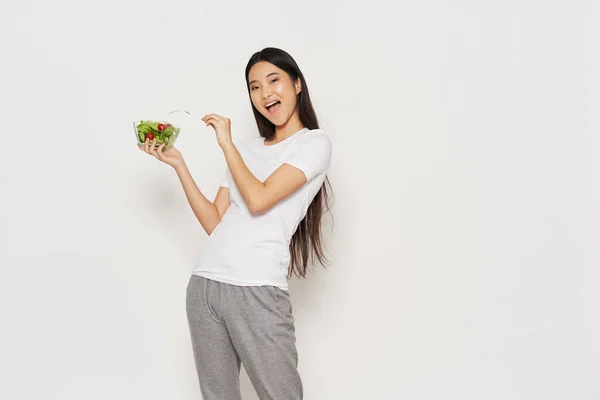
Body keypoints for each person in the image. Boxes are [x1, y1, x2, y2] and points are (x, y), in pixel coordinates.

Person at [137, 47, 333, 400]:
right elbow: (215, 221)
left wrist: (227, 145)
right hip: (204, 286)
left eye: (274, 81)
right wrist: (180, 165)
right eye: (255, 87)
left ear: (297, 84)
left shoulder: (314, 144)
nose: (265, 93)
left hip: (256, 289)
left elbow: (259, 200)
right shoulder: (246, 147)